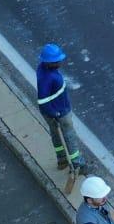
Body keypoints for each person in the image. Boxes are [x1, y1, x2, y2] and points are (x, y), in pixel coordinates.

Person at [36, 42, 86, 174]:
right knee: (69, 134)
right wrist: (55, 113)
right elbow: (42, 100)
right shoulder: (48, 78)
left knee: (56, 134)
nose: (60, 62)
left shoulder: (42, 68)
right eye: (57, 61)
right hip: (59, 111)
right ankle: (77, 163)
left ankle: (62, 159)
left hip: (53, 110)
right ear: (49, 62)